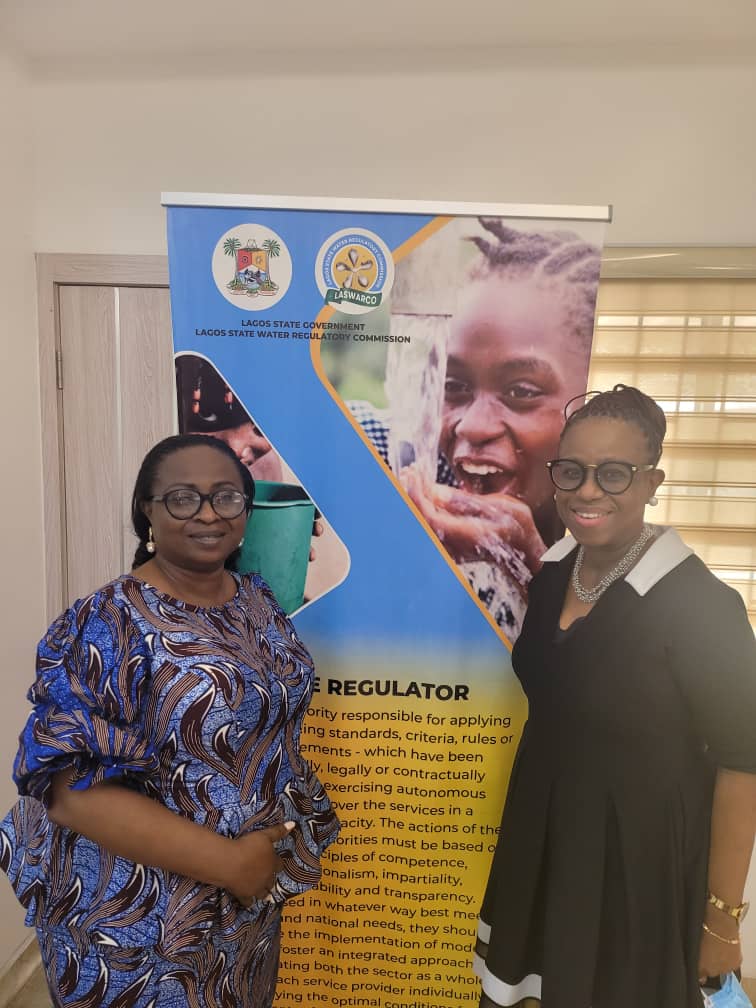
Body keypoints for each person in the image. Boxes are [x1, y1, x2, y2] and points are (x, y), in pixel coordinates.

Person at [0, 434, 339, 1008]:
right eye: (183, 498)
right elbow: (69, 793)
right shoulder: (111, 621)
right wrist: (230, 862)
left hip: (242, 905)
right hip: (136, 922)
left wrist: (250, 866)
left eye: (226, 497)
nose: (207, 513)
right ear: (147, 513)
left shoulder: (253, 599)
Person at [474, 385, 756, 1007]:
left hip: (637, 866)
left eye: (615, 474)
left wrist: (722, 919)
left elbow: (744, 764)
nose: (587, 490)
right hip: (543, 836)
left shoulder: (702, 606)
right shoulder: (552, 575)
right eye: (571, 471)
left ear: (653, 481)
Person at [351, 219, 600, 639]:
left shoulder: (616, 550)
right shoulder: (401, 463)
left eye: (521, 391)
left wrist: (530, 566)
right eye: (455, 386)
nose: (472, 425)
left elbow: (610, 684)